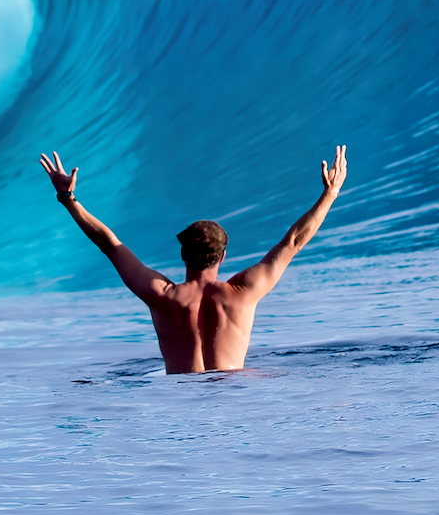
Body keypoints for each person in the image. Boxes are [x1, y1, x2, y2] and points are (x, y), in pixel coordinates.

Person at [38, 146, 348, 373]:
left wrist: (68, 199)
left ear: (182, 255)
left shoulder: (162, 295)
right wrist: (330, 194)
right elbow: (293, 241)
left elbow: (109, 244)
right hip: (236, 393)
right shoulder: (243, 291)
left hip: (180, 399)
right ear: (223, 256)